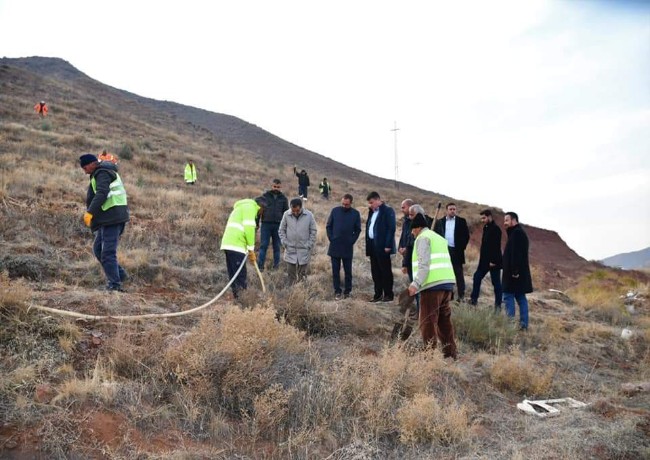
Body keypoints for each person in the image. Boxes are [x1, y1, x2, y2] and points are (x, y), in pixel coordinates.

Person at [408, 213, 457, 359]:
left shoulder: (423, 238)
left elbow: (424, 265)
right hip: (447, 284)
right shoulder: (439, 238)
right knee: (444, 322)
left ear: (418, 228)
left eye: (412, 230)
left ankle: (428, 357)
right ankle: (450, 355)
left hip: (431, 287)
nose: (412, 233)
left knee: (428, 322)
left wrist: (415, 283)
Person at [79, 153, 129, 292]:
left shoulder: (102, 173)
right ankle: (120, 275)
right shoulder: (101, 172)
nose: (84, 171)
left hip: (112, 218)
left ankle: (115, 285)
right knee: (98, 250)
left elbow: (102, 193)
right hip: (109, 218)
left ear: (90, 164)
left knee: (107, 253)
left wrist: (90, 212)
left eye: (84, 168)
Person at [220, 196, 267, 299]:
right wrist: (251, 249)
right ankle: (242, 300)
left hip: (228, 244)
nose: (260, 214)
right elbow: (249, 229)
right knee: (240, 275)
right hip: (237, 245)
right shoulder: (251, 208)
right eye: (262, 211)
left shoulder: (241, 207)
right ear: (261, 208)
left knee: (233, 274)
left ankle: (237, 297)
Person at [326, 194, 361, 299]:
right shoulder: (335, 211)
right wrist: (331, 238)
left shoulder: (355, 214)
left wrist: (352, 241)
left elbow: (358, 229)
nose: (344, 206)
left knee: (348, 271)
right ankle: (337, 291)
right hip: (335, 246)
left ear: (351, 203)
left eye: (347, 204)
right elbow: (328, 226)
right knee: (335, 270)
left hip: (347, 247)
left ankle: (347, 291)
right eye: (343, 204)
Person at [502, 211, 533, 330]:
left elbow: (516, 254)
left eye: (507, 220)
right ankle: (523, 325)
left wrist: (515, 271)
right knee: (520, 297)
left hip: (513, 274)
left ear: (514, 220)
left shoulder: (517, 234)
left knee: (508, 296)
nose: (505, 223)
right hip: (517, 273)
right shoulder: (516, 233)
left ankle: (510, 325)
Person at [434, 203, 470, 301]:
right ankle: (449, 296)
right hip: (445, 251)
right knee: (446, 274)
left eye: (454, 209)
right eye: (450, 209)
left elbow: (466, 236)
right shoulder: (440, 221)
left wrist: (461, 247)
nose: (453, 211)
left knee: (459, 275)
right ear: (446, 210)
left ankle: (461, 296)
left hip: (457, 251)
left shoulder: (461, 221)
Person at [365, 191, 396, 302]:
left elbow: (391, 228)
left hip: (383, 246)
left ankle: (388, 295)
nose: (370, 205)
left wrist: (388, 245)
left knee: (385, 271)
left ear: (378, 200)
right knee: (375, 271)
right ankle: (377, 295)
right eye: (369, 203)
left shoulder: (388, 210)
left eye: (372, 202)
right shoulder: (372, 212)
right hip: (372, 245)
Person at [470, 210, 503, 309]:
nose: (482, 220)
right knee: (477, 277)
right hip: (484, 261)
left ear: (489, 217)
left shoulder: (496, 229)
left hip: (494, 262)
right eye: (482, 218)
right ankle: (473, 300)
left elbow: (496, 246)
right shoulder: (486, 227)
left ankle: (498, 306)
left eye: (484, 218)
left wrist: (494, 261)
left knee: (496, 283)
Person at [279, 198, 317, 283]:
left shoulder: (309, 215)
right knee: (290, 275)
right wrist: (285, 243)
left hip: (304, 249)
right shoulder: (286, 215)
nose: (295, 213)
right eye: (293, 211)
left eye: (297, 211)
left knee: (302, 276)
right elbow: (281, 230)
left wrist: (309, 244)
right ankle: (291, 292)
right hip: (290, 249)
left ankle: (301, 291)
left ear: (301, 207)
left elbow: (313, 231)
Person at [258, 179, 289, 271]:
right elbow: (259, 211)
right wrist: (257, 223)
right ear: (271, 186)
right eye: (274, 186)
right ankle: (260, 267)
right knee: (263, 245)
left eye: (278, 187)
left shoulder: (284, 198)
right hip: (266, 224)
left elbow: (286, 213)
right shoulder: (265, 196)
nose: (276, 188)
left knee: (277, 246)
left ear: (281, 187)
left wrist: (286, 227)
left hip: (278, 225)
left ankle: (276, 267)